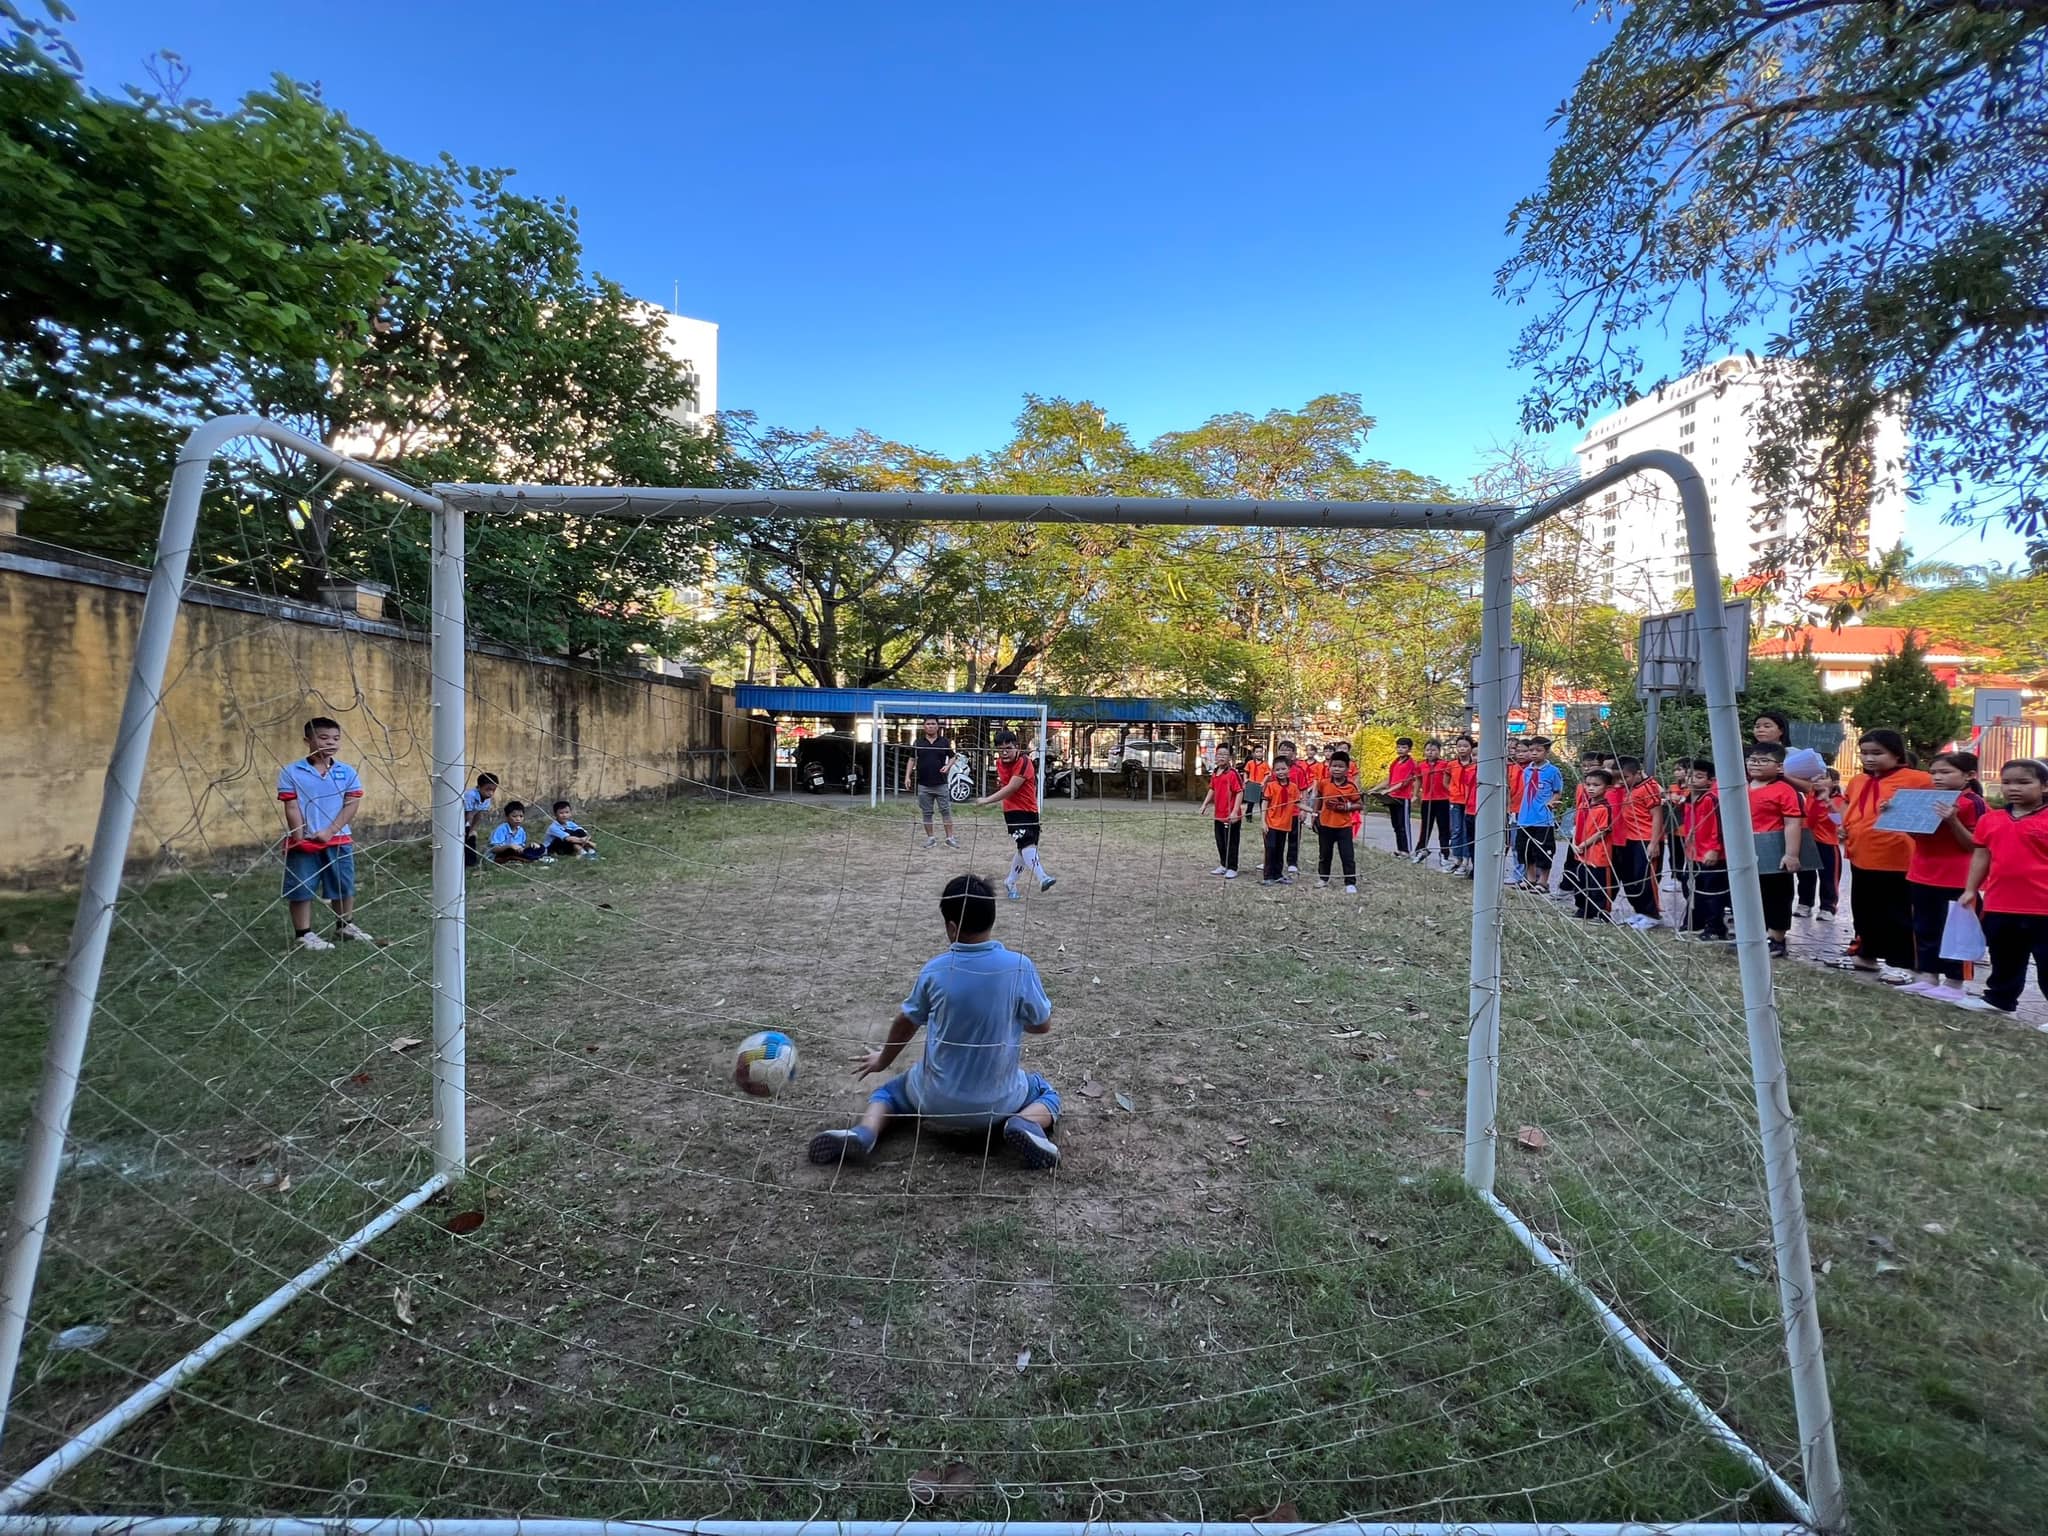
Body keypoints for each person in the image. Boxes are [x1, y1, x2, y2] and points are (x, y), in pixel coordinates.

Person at [808, 874, 1062, 1170]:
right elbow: (1043, 1025)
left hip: (934, 1101)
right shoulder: (1019, 967)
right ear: (992, 918)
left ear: (952, 927)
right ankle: (1025, 1122)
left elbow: (906, 1022)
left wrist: (883, 1060)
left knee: (889, 1093)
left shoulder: (935, 971)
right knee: (1046, 1092)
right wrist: (1012, 1020)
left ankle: (865, 1132)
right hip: (1000, 1103)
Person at [1840, 729, 1933, 978]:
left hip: (1898, 858)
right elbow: (1849, 805)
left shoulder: (1919, 779)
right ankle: (1866, 954)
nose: (1869, 759)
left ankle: (1905, 963)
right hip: (1861, 855)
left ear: (1896, 754)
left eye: (1877, 753)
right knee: (1864, 910)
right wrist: (1845, 826)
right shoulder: (1858, 781)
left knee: (1898, 913)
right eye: (1864, 753)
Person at [1959, 758, 2048, 1017]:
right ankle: (1999, 1000)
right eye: (2007, 782)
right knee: (2005, 956)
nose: (2013, 788)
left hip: (2043, 906)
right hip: (2001, 902)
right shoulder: (1991, 820)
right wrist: (1970, 889)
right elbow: (1981, 856)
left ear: (2044, 786)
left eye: (2024, 782)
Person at [277, 716, 370, 952]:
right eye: (324, 737)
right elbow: (291, 806)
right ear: (307, 740)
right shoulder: (291, 772)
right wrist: (299, 837)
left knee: (343, 884)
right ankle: (303, 934)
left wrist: (330, 831)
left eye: (336, 738)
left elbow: (351, 804)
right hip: (304, 841)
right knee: (301, 887)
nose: (331, 743)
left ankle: (345, 925)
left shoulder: (347, 772)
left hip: (338, 839)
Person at [1901, 751, 1986, 1002]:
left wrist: (1953, 821)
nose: (1937, 777)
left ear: (1969, 775)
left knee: (1957, 931)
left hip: (1957, 877)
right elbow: (1920, 835)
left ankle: (1954, 982)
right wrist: (1899, 815)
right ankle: (1928, 976)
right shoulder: (1928, 798)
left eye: (1946, 772)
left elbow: (1974, 845)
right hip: (1922, 873)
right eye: (1934, 772)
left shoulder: (1972, 802)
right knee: (1924, 927)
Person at [1746, 743, 1807, 959]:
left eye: (1764, 760)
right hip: (1747, 851)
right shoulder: (1741, 787)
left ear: (1779, 767)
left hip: (1773, 851)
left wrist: (1791, 854)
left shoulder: (1785, 790)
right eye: (1752, 760)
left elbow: (1792, 823)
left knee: (1777, 895)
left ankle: (1777, 938)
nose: (1756, 764)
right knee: (1751, 894)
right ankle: (1755, 936)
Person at [976, 732, 1054, 898]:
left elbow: (1012, 787)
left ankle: (1010, 881)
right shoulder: (1000, 763)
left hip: (1030, 810)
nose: (1004, 753)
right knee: (1027, 845)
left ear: (1017, 747)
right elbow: (1009, 789)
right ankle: (1042, 877)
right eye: (1000, 749)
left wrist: (986, 800)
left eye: (1008, 748)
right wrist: (987, 801)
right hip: (1013, 812)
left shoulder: (1024, 762)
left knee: (1025, 849)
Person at [1681, 758, 1729, 941]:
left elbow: (1719, 825)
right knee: (1692, 888)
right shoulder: (1688, 798)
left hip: (1710, 853)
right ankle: (1695, 922)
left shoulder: (1710, 799)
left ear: (1710, 781)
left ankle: (1715, 928)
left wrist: (1715, 849)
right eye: (1689, 775)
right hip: (1693, 853)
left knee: (1712, 892)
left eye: (1699, 776)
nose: (1692, 779)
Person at [1613, 757, 1664, 930]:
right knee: (1631, 878)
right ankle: (1640, 911)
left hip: (1646, 839)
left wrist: (1654, 843)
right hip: (1631, 839)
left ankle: (1653, 914)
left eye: (1625, 777)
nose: (1621, 781)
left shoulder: (1648, 788)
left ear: (1637, 773)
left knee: (1645, 878)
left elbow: (1657, 815)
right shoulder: (1629, 788)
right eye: (1618, 778)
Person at [1513, 737, 1565, 893]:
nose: (1534, 753)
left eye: (1538, 750)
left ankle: (1543, 881)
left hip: (1543, 819)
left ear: (1547, 752)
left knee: (1543, 851)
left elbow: (1557, 792)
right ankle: (1530, 879)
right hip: (1525, 817)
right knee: (1525, 849)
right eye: (1531, 750)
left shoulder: (1553, 771)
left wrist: (1551, 803)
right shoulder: (1526, 771)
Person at [1310, 749, 1363, 893]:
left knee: (1347, 855)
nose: (1337, 769)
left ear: (1347, 769)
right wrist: (1314, 815)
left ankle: (1350, 882)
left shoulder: (1351, 786)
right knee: (1324, 854)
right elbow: (1318, 799)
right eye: (1334, 766)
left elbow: (1360, 804)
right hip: (1325, 824)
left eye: (1340, 766)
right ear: (1329, 767)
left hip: (1344, 826)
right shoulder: (1324, 783)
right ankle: (1323, 878)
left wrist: (1346, 806)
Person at [904, 717, 960, 850]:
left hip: (941, 783)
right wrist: (907, 777)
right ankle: (931, 839)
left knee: (946, 811)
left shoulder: (944, 742)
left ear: (937, 726)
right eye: (928, 724)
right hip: (923, 785)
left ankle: (950, 838)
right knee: (927, 813)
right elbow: (912, 759)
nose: (930, 726)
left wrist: (948, 766)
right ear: (924, 727)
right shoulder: (918, 742)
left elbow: (953, 757)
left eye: (933, 724)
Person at [1800, 767, 1846, 919]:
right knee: (1805, 875)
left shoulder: (1838, 800)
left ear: (1835, 782)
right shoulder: (1809, 795)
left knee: (1828, 877)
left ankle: (1828, 906)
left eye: (1823, 777)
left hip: (1827, 842)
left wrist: (1827, 801)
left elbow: (1839, 821)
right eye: (1815, 777)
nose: (1818, 780)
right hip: (1808, 840)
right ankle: (1804, 904)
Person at [1571, 767, 1617, 921]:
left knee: (1598, 884)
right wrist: (1574, 843)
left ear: (1607, 788)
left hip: (1598, 853)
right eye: (1588, 784)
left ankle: (1601, 913)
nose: (1591, 788)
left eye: (1596, 785)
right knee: (1581, 882)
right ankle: (1584, 909)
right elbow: (1576, 826)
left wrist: (1584, 844)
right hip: (1580, 853)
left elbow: (1602, 831)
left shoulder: (1605, 808)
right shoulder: (1583, 805)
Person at [1197, 742, 1246, 880]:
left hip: (1231, 816)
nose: (1221, 757)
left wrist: (1235, 812)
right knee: (1220, 841)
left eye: (1225, 754)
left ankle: (1232, 867)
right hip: (1218, 814)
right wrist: (1204, 804)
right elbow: (1212, 789)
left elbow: (1240, 792)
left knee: (1231, 842)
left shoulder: (1233, 773)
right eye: (1219, 754)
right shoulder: (1215, 772)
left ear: (1230, 757)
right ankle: (1223, 864)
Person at [1260, 744, 1304, 886]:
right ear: (1273, 771)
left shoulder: (1293, 787)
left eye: (1283, 769)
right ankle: (1268, 876)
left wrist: (1311, 810)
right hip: (1272, 824)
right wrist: (1263, 822)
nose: (1280, 772)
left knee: (1280, 849)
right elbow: (1264, 803)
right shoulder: (1271, 786)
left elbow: (1298, 803)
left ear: (1289, 769)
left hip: (1284, 824)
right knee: (1270, 849)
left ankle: (1278, 875)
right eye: (1277, 770)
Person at [1368, 738, 1419, 856]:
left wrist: (1388, 790)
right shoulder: (1395, 762)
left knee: (1403, 825)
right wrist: (1374, 789)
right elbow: (1389, 779)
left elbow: (1404, 782)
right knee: (1396, 825)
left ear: (1409, 749)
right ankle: (1400, 849)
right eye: (1399, 747)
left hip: (1403, 798)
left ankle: (1406, 850)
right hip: (1392, 798)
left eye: (1404, 747)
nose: (1400, 750)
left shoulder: (1411, 763)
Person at [1415, 740, 1454, 868]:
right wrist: (1416, 794)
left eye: (1433, 750)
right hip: (1427, 800)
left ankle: (1444, 853)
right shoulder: (1421, 765)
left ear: (1439, 751)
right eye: (1428, 750)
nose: (1430, 753)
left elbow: (1450, 780)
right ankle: (1420, 850)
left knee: (1444, 828)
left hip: (1443, 800)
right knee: (1425, 827)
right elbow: (1418, 780)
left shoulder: (1445, 764)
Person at [1446, 735, 1478, 878]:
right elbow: (1446, 781)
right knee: (1456, 830)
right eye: (1459, 746)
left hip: (1469, 803)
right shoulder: (1452, 764)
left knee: (1467, 832)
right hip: (1455, 801)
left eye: (1465, 746)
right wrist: (1453, 792)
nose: (1462, 749)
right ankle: (1456, 859)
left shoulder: (1475, 765)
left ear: (1471, 748)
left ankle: (1466, 861)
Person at [1283, 740, 1314, 874]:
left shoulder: (1298, 770)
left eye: (1288, 750)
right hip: (1278, 812)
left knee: (1294, 837)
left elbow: (1304, 790)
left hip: (1294, 811)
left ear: (1294, 753)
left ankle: (1292, 862)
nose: (1284, 752)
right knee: (1275, 838)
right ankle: (1272, 860)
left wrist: (1303, 809)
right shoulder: (1275, 769)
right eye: (1282, 749)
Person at [461, 772, 499, 870]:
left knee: (471, 838)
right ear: (479, 787)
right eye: (488, 789)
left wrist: (473, 829)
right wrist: (466, 828)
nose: (490, 793)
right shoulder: (470, 795)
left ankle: (470, 862)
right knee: (462, 840)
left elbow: (479, 814)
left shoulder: (486, 798)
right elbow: (468, 814)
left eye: (493, 790)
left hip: (468, 821)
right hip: (459, 820)